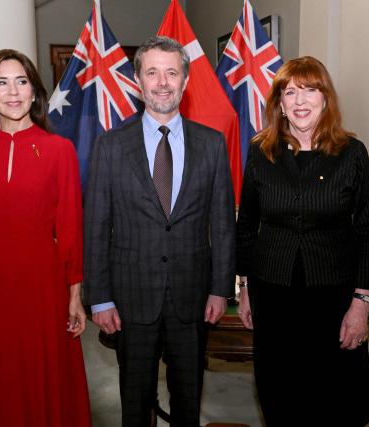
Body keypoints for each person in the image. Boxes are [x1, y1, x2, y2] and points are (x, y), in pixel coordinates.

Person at [83, 35, 235, 427]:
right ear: (138, 81)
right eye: (152, 72)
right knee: (135, 404)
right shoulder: (111, 146)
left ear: (185, 82)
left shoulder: (212, 145)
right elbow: (96, 225)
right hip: (130, 299)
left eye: (172, 73)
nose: (162, 82)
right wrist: (99, 299)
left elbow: (221, 222)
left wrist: (220, 288)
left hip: (193, 296)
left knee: (188, 400)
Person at [0, 49, 91, 426]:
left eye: (22, 82)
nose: (13, 92)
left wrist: (75, 292)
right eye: (1, 82)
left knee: (44, 382)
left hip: (43, 288)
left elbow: (71, 225)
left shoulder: (61, 151)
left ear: (35, 92)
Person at [236, 56, 369, 426]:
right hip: (273, 293)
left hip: (333, 298)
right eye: (290, 92)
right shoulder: (260, 152)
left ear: (325, 98)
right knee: (280, 394)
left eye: (310, 90)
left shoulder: (352, 153)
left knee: (334, 398)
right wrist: (245, 287)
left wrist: (361, 303)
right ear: (280, 105)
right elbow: (247, 224)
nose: (300, 101)